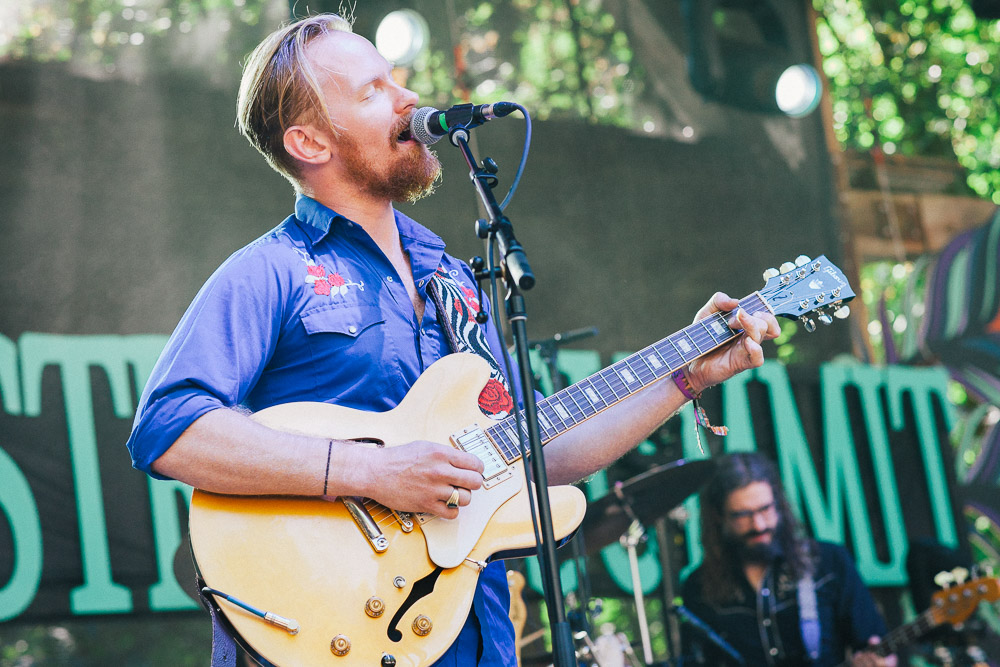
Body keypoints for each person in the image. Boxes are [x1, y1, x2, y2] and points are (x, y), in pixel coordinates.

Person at [125, 12, 780, 666]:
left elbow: (537, 453)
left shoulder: (455, 282)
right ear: (311, 142)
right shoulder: (271, 270)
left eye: (394, 79)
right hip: (334, 626)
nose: (408, 97)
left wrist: (688, 374)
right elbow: (169, 425)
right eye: (373, 91)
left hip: (473, 631)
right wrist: (371, 471)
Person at [680, 452, 897, 667]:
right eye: (742, 515)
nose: (759, 525)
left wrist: (880, 662)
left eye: (765, 509)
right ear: (718, 516)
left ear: (779, 504)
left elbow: (879, 648)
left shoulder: (828, 562)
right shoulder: (698, 588)